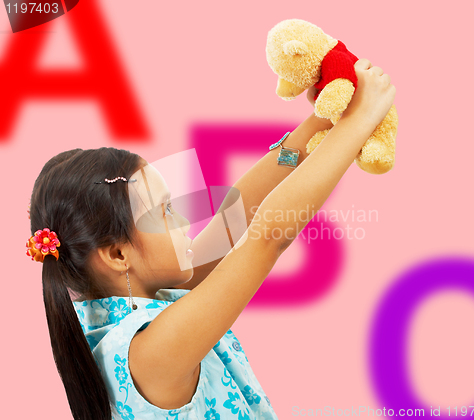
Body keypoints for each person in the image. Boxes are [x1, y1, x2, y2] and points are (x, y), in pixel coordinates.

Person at [26, 58, 395, 420]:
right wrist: (357, 124)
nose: (185, 220)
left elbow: (233, 220)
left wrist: (320, 122)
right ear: (119, 254)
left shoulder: (150, 301)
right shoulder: (147, 352)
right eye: (165, 212)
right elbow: (266, 238)